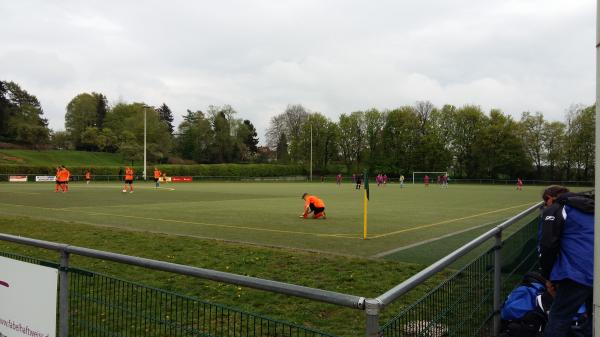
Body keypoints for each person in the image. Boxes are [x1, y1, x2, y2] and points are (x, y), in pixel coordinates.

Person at [539, 185, 594, 337]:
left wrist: (548, 277)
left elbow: (548, 245)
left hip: (579, 272)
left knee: (559, 316)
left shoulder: (556, 208)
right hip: (592, 270)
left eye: (545, 201)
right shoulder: (591, 205)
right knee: (594, 316)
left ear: (550, 198)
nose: (545, 205)